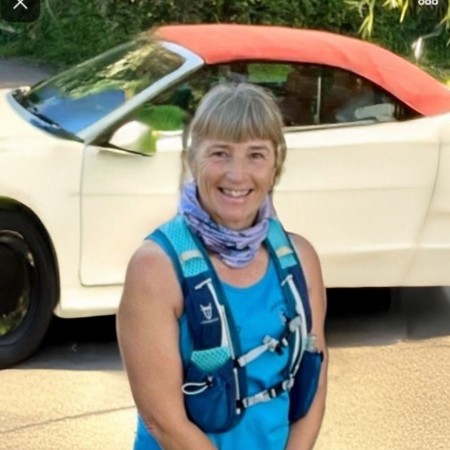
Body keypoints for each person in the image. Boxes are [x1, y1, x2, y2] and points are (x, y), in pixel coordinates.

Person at [117, 83, 328, 450]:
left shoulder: (300, 261)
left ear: (275, 166)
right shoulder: (156, 269)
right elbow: (162, 420)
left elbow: (315, 376)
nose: (237, 175)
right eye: (220, 153)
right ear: (192, 159)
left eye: (255, 155)